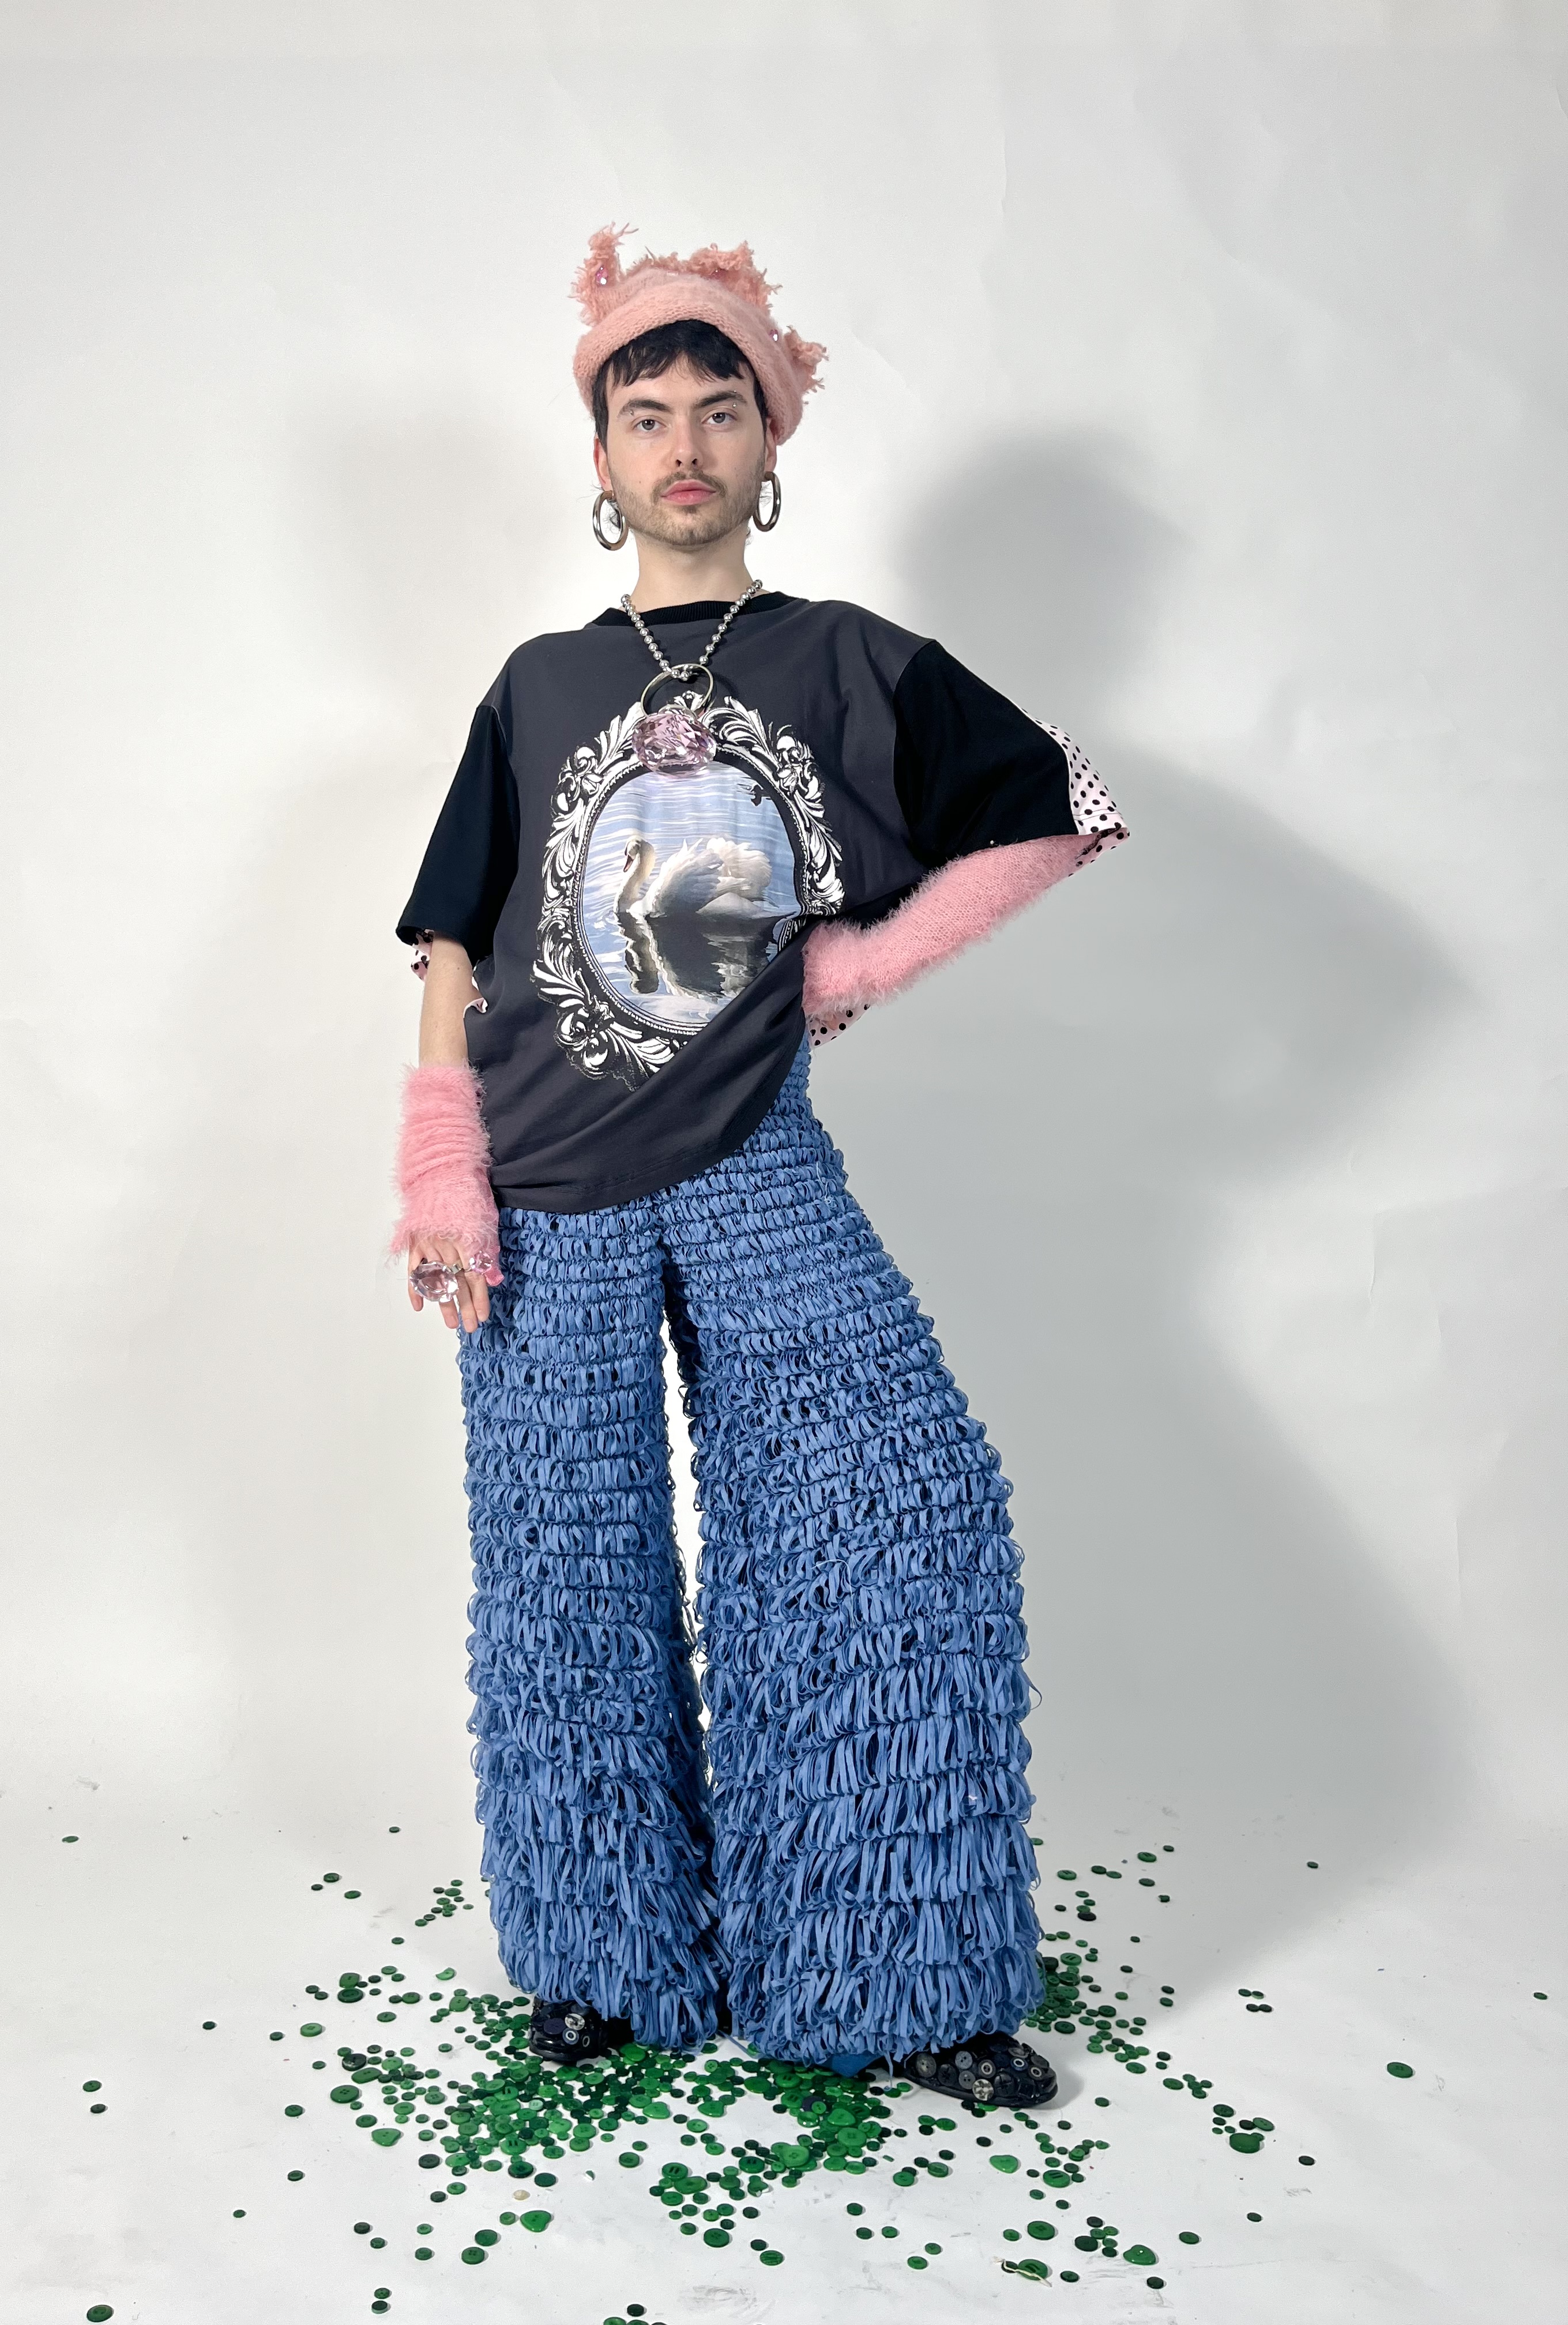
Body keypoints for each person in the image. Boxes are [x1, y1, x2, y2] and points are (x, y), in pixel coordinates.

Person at [389, 226, 1127, 2107]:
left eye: (721, 407)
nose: (685, 442)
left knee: (896, 1525)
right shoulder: (537, 684)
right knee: (564, 1580)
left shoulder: (844, 659)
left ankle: (893, 1972)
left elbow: (1057, 808)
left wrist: (860, 965)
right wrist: (440, 1156)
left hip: (751, 1161)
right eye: (647, 413)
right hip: (538, 1188)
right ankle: (603, 1967)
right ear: (602, 455)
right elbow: (455, 938)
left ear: (771, 440)